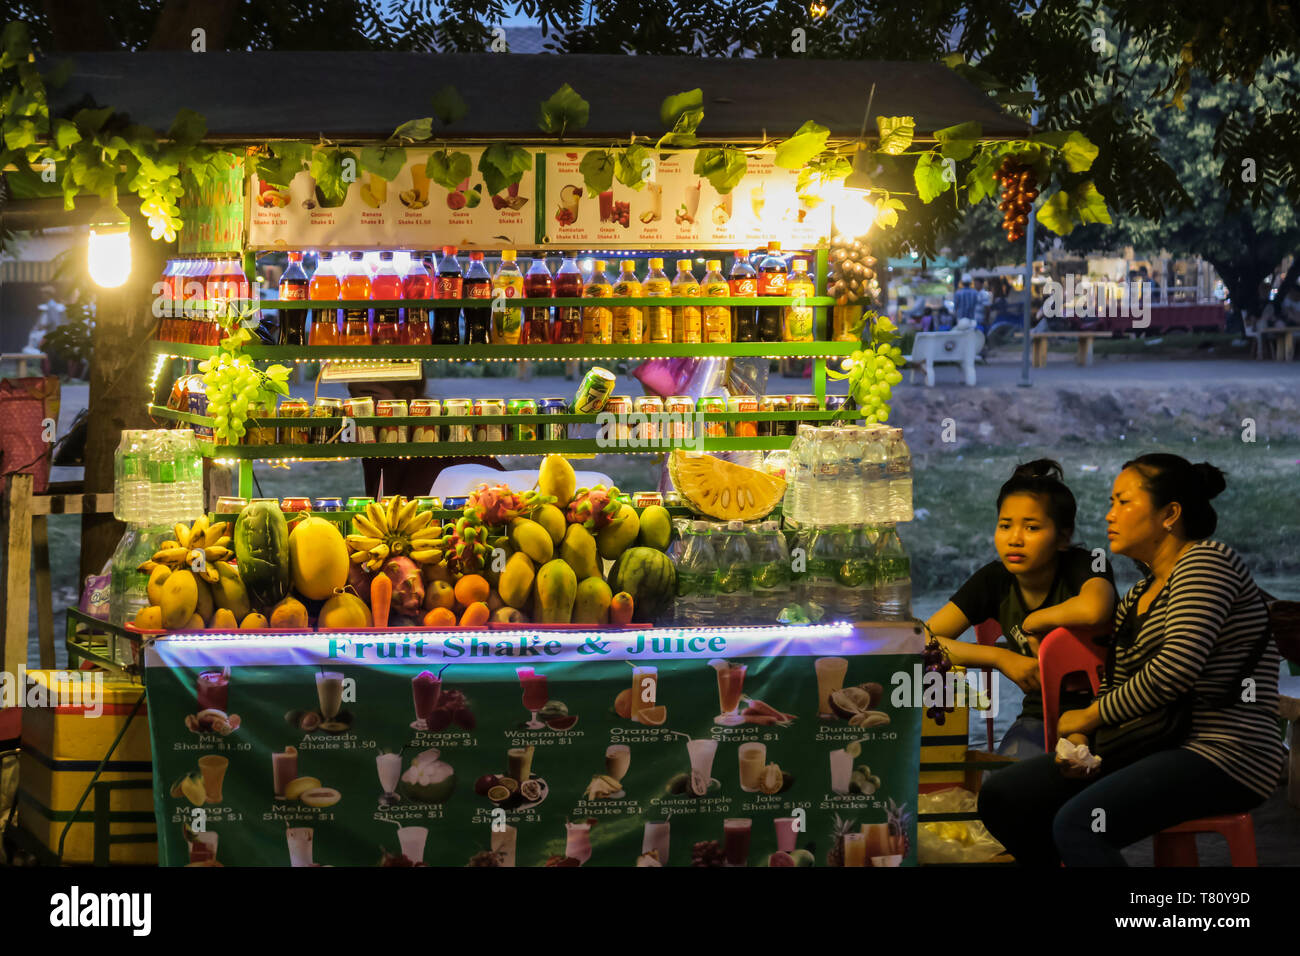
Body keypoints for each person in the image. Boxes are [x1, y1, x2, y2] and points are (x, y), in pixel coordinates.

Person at [978, 455, 1286, 866]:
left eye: (1123, 502)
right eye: (1110, 502)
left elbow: (1174, 671)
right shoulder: (1137, 597)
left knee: (1081, 824)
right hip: (1158, 746)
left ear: (1170, 514)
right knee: (1004, 797)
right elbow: (1114, 684)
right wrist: (1082, 744)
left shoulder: (1205, 562)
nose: (1110, 515)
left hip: (1226, 753)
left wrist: (1088, 718)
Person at [925, 460, 1117, 758]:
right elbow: (921, 639)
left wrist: (1034, 621)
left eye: (1032, 527)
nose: (1014, 539)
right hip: (1039, 715)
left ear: (1063, 537)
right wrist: (1001, 658)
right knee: (1008, 789)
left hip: (1107, 711)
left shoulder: (1088, 562)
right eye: (1005, 526)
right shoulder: (995, 579)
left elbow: (1095, 608)